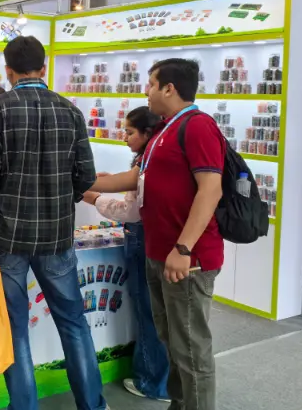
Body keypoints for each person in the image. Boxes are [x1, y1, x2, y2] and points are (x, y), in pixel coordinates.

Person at [0, 36, 107, 410]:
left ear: (8, 71)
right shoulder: (70, 111)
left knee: (14, 328)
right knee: (74, 323)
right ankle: (92, 405)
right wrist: (59, 200)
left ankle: (24, 406)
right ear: (44, 68)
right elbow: (86, 177)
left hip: (7, 236)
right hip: (56, 236)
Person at [89, 59, 224, 410]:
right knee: (172, 341)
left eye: (151, 83)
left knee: (191, 347)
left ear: (169, 88)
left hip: (186, 258)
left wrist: (184, 247)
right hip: (158, 252)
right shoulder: (165, 130)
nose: (146, 91)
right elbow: (136, 179)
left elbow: (211, 189)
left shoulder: (198, 127)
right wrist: (85, 182)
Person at [84, 107, 170, 402]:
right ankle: (163, 380)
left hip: (141, 239)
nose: (124, 138)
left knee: (148, 311)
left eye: (130, 132)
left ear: (147, 133)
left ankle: (151, 382)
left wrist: (96, 198)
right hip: (153, 239)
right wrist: (112, 183)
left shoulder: (149, 160)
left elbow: (132, 211)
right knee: (157, 312)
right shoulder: (156, 155)